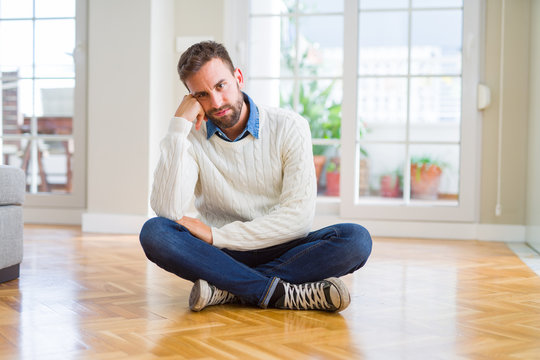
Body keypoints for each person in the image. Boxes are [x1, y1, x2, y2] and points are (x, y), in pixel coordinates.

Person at [139, 41, 372, 313]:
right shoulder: (191, 137)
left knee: (356, 239)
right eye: (201, 94)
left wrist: (215, 235)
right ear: (191, 98)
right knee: (155, 233)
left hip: (282, 246)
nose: (216, 102)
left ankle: (226, 289)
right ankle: (276, 292)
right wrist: (178, 128)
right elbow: (167, 210)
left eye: (220, 86)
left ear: (238, 77)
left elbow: (298, 219)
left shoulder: (290, 126)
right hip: (221, 254)